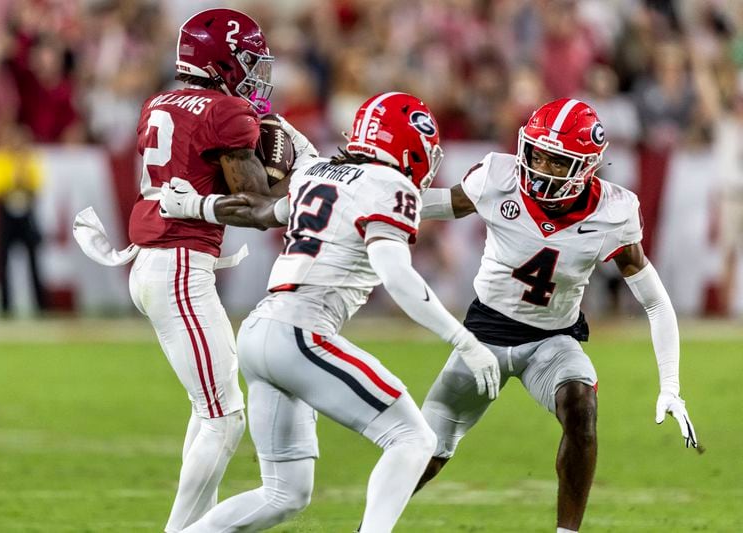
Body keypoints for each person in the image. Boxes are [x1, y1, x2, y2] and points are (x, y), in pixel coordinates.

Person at [159, 92, 501, 532]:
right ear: (408, 146)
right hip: (302, 333)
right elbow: (398, 278)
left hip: (260, 331)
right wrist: (464, 340)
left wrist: (191, 206)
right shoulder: (389, 185)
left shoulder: (315, 173)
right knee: (414, 440)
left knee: (285, 493)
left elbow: (265, 210)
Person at [73, 9, 316, 533]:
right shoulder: (225, 111)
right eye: (248, 61)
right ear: (221, 60)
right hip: (180, 264)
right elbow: (255, 206)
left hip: (154, 262)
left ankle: (190, 525)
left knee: (208, 409)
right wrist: (299, 172)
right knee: (225, 419)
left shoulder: (159, 101)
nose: (256, 74)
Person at [413, 98, 699, 532]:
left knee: (581, 405)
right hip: (482, 336)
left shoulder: (613, 212)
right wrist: (360, 198)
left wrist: (671, 385)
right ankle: (369, 524)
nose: (541, 167)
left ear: (587, 168)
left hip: (553, 340)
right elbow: (424, 205)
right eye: (537, 153)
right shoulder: (498, 177)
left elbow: (656, 303)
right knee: (425, 453)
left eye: (557, 160)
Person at [0, 125, 48, 316]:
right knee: (3, 260)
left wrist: (23, 177)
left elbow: (39, 184)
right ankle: (5, 306)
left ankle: (41, 306)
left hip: (27, 211)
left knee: (34, 260)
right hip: (5, 211)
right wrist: (11, 181)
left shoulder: (31, 159)